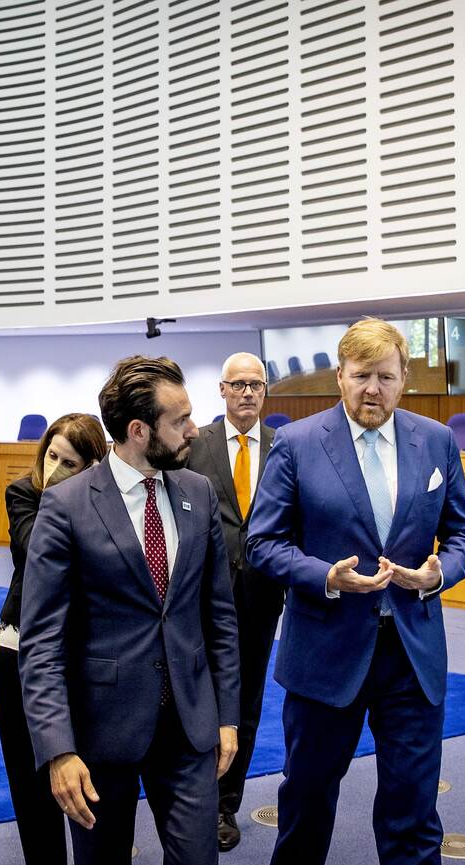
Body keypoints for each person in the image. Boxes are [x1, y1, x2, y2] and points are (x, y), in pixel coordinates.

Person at [246, 318, 465, 865]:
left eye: (385, 377)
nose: (372, 390)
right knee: (306, 804)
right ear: (340, 376)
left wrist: (438, 573)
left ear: (403, 380)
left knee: (413, 811)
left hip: (411, 654)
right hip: (325, 653)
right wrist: (324, 576)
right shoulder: (296, 443)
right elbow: (263, 542)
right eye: (360, 376)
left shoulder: (437, 441)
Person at [18, 356, 241, 865]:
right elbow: (42, 642)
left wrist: (228, 716)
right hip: (100, 732)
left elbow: (220, 617)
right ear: (139, 431)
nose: (193, 430)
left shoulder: (199, 492)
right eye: (180, 420)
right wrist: (58, 749)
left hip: (189, 725)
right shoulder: (67, 506)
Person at [0, 413, 108, 865]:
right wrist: (69, 496)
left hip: (87, 653)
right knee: (30, 782)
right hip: (20, 648)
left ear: (93, 466)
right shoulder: (23, 492)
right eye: (51, 456)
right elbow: (36, 550)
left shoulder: (106, 503)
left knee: (90, 777)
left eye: (69, 463)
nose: (54, 468)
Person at [185, 351, 282, 852]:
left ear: (265, 391)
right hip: (200, 595)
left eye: (256, 384)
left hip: (262, 595)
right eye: (238, 384)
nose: (247, 392)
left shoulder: (285, 447)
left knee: (245, 705)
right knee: (196, 697)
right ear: (221, 390)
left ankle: (225, 804)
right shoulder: (194, 444)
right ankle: (191, 798)